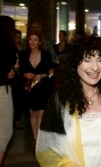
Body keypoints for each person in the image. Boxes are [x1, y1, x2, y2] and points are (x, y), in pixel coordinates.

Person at [36, 35, 101, 167]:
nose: (95, 67)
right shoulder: (59, 102)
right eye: (87, 60)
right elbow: (45, 150)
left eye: (99, 60)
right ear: (75, 64)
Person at [19, 31, 54, 151]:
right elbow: (20, 72)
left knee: (41, 114)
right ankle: (35, 138)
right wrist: (25, 74)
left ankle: (40, 140)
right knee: (32, 113)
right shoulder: (24, 55)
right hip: (29, 87)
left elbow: (52, 72)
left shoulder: (46, 55)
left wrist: (42, 75)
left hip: (43, 87)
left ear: (40, 42)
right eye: (30, 39)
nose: (32, 42)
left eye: (35, 39)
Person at [0, 15, 16, 166]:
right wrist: (10, 70)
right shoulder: (5, 44)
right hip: (1, 90)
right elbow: (8, 71)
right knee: (4, 134)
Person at [12, 29, 25, 130]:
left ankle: (17, 120)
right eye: (16, 37)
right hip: (13, 78)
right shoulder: (10, 48)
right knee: (13, 100)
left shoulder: (23, 49)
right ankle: (13, 120)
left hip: (22, 78)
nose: (18, 39)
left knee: (20, 101)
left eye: (19, 37)